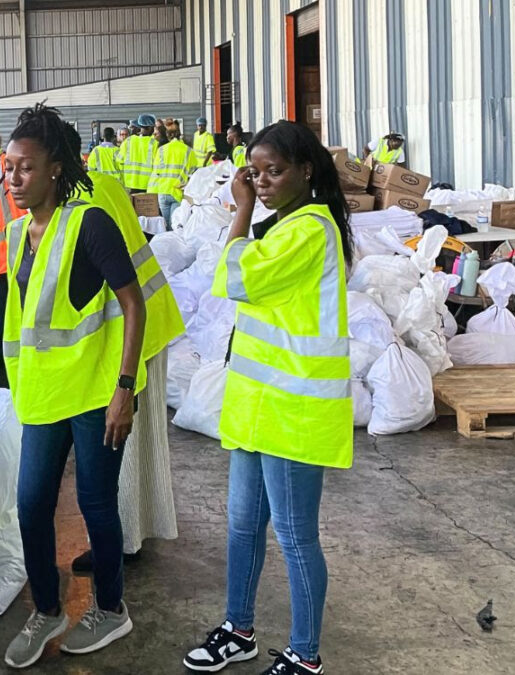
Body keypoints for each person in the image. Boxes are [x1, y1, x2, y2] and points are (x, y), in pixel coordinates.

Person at [182, 121, 353, 675]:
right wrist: (252, 209)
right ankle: (239, 628)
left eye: (274, 171)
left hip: (293, 411)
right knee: (241, 525)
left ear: (307, 170)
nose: (263, 181)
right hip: (259, 406)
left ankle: (305, 655)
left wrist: (240, 208)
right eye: (255, 173)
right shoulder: (284, 225)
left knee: (296, 537)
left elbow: (236, 278)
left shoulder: (310, 228)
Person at [1, 103, 146, 668]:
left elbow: (133, 305)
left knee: (95, 504)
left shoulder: (89, 222)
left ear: (55, 168)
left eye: (25, 168)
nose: (13, 179)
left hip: (92, 396)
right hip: (42, 396)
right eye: (9, 168)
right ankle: (48, 610)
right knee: (31, 506)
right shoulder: (19, 234)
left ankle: (111, 609)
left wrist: (124, 389)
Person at [62, 122, 184, 570]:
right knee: (138, 444)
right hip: (149, 322)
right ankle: (132, 535)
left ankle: (122, 543)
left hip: (131, 332)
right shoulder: (105, 183)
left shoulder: (81, 204)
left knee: (120, 446)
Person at [147, 119, 195, 228]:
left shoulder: (161, 150)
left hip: (163, 191)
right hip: (178, 192)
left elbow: (156, 170)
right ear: (179, 134)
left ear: (167, 135)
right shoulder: (188, 150)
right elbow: (192, 171)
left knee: (165, 225)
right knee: (175, 225)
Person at [117, 114, 158, 193]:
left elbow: (119, 161)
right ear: (149, 128)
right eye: (153, 128)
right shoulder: (154, 143)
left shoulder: (128, 141)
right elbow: (158, 165)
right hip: (148, 185)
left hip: (129, 184)